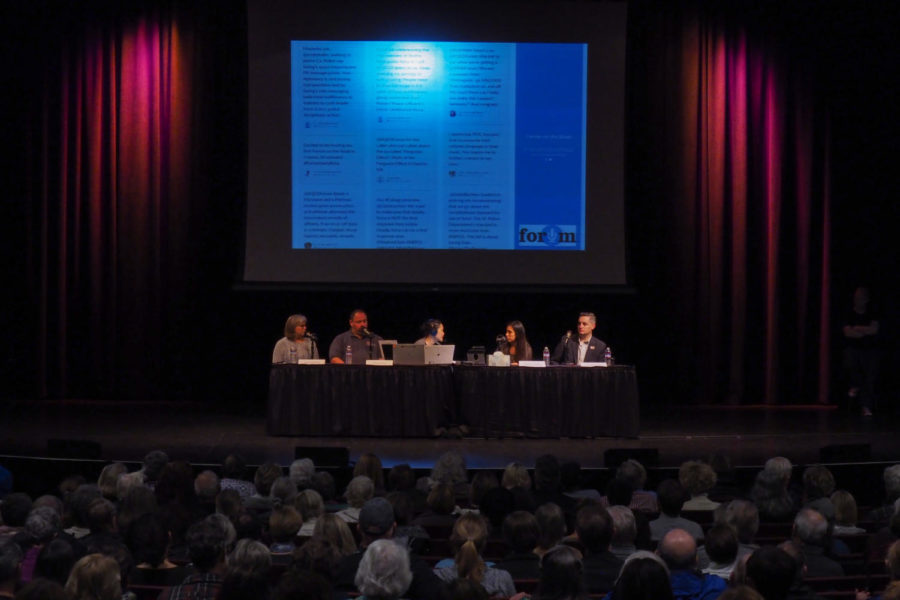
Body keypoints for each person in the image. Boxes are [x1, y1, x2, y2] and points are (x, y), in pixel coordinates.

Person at [842, 286, 880, 416]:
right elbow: (848, 332)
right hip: (853, 349)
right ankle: (855, 384)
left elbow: (874, 330)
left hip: (869, 349)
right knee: (850, 362)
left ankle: (866, 406)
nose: (857, 300)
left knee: (870, 376)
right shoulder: (849, 313)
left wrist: (857, 328)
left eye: (861, 298)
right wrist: (864, 330)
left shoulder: (872, 313)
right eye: (856, 297)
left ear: (866, 300)